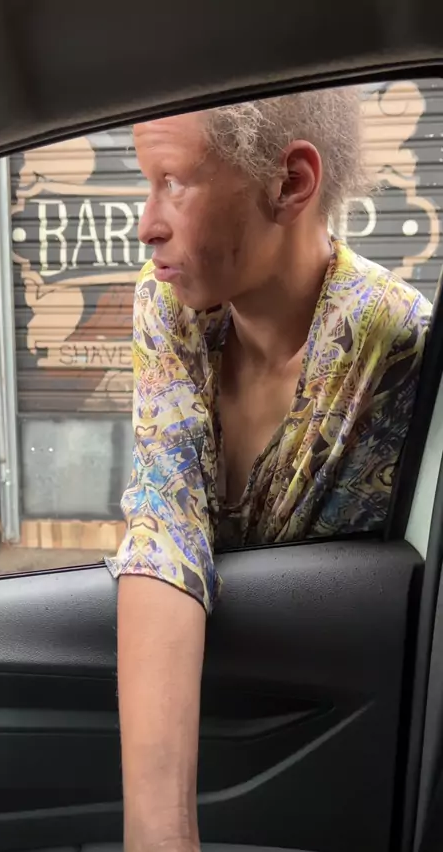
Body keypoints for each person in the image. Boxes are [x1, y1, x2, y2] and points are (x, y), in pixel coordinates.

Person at [105, 88, 431, 852]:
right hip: (233, 724)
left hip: (339, 744)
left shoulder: (399, 344)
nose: (146, 224)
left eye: (173, 182)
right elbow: (166, 522)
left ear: (290, 183)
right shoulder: (172, 310)